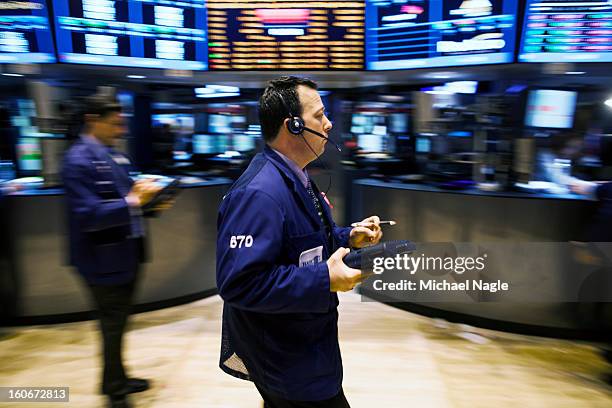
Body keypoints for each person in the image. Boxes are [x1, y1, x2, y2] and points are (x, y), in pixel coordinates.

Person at [216, 76, 383, 407]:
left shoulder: (295, 175)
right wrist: (325, 277)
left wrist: (347, 235)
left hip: (304, 343)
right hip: (285, 356)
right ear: (292, 125)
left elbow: (302, 243)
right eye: (319, 115)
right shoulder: (258, 193)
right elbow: (240, 283)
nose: (329, 123)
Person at [62, 94, 164, 408]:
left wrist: (153, 204)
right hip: (101, 260)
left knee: (118, 323)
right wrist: (135, 202)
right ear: (94, 119)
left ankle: (117, 378)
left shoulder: (114, 156)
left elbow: (129, 201)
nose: (120, 129)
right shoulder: (78, 160)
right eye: (115, 123)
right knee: (111, 324)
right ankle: (114, 390)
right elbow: (88, 215)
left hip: (125, 254)